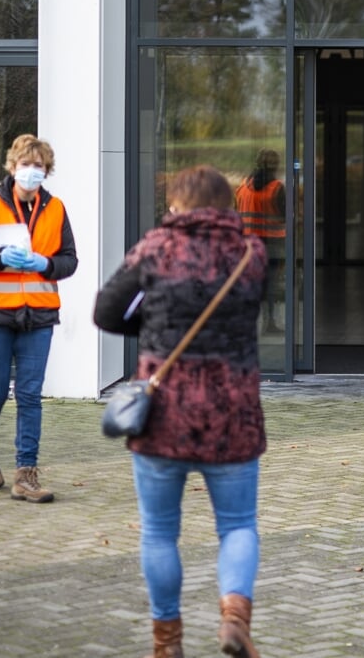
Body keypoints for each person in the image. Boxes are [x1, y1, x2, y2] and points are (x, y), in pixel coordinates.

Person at [93, 165, 268, 658]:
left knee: (159, 531)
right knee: (237, 525)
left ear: (176, 206)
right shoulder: (251, 253)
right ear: (227, 206)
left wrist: (153, 332)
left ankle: (167, 643)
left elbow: (106, 311)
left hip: (162, 408)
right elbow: (248, 310)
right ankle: (235, 617)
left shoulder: (154, 247)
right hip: (232, 409)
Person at [0, 134, 78, 504]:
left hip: (37, 316)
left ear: (47, 171)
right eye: (26, 165)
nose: (31, 172)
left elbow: (70, 260)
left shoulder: (55, 209)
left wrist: (46, 264)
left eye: (38, 166)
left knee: (29, 395)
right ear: (12, 167)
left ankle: (26, 474)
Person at [235, 148, 286, 333]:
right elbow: (285, 215)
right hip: (272, 243)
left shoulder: (242, 187)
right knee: (271, 284)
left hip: (248, 244)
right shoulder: (277, 188)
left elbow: (236, 213)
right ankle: (269, 322)